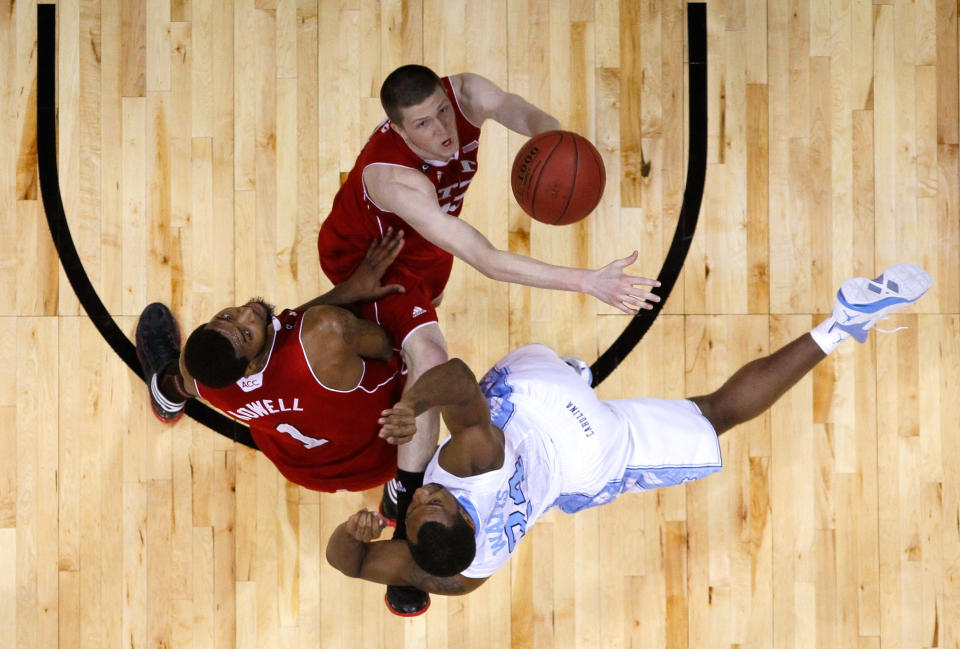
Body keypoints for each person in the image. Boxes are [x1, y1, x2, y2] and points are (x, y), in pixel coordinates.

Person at [325, 264, 931, 597]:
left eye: (422, 503)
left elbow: (350, 564)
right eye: (439, 504)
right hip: (540, 395)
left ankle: (843, 323)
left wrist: (353, 538)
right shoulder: (467, 469)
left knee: (716, 414)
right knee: (490, 397)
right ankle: (843, 320)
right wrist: (414, 404)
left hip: (586, 455)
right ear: (459, 518)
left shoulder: (462, 575)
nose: (427, 494)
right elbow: (455, 379)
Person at [318, 65, 661, 611]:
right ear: (401, 133)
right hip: (373, 259)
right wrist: (587, 281)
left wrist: (557, 143)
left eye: (441, 113)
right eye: (423, 126)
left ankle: (393, 365)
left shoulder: (467, 94)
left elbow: (522, 114)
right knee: (428, 353)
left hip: (425, 250)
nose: (442, 131)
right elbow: (486, 259)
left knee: (418, 332)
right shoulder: (396, 180)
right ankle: (403, 496)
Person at [134, 228, 431, 493]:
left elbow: (286, 336)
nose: (247, 313)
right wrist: (354, 295)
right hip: (381, 458)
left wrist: (347, 292)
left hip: (303, 463)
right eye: (244, 334)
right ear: (249, 366)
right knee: (420, 371)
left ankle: (167, 393)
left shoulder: (208, 378)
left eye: (226, 317)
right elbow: (385, 346)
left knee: (183, 378)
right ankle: (401, 493)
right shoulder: (327, 332)